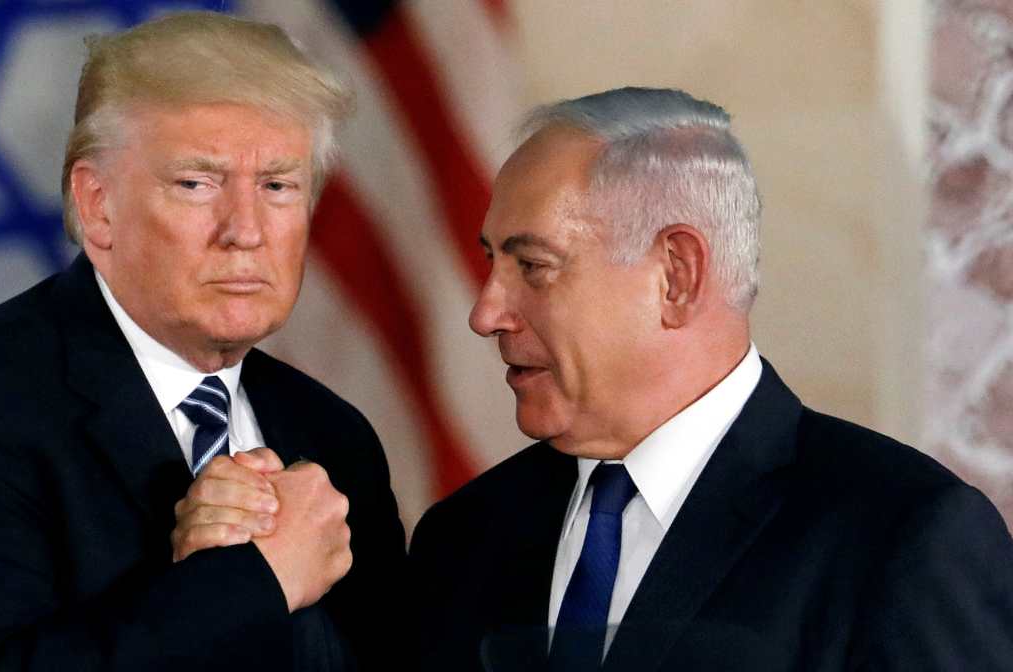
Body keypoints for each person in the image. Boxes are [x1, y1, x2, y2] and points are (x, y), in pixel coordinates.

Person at [0, 12, 406, 671]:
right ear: (98, 206)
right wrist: (247, 584)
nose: (246, 230)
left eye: (277, 186)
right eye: (196, 183)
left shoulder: (333, 437)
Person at [407, 87, 1013, 671]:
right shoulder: (461, 540)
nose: (485, 314)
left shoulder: (903, 539)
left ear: (677, 275)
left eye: (533, 266)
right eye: (492, 262)